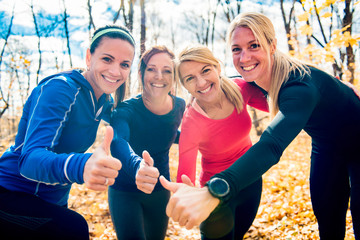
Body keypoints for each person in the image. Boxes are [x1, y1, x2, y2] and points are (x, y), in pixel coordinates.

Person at [160, 12, 360, 240]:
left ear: (272, 45)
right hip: (326, 148)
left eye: (254, 45)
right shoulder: (254, 82)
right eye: (236, 49)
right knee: (328, 220)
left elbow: (272, 145)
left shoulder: (298, 88)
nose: (244, 58)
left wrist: (215, 190)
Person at [0, 25, 135, 240]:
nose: (116, 71)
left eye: (124, 64)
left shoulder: (103, 101)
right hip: (13, 193)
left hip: (52, 198)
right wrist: (82, 165)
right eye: (107, 59)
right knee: (75, 228)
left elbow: (126, 129)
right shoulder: (61, 89)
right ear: (89, 57)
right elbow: (29, 160)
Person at [175, 45, 268, 239]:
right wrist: (185, 197)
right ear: (184, 85)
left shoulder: (240, 88)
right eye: (190, 78)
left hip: (250, 181)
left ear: (217, 67)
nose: (201, 83)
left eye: (206, 70)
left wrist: (327, 86)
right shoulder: (192, 122)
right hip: (216, 195)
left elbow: (282, 100)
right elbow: (185, 178)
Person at [108, 45, 185, 240]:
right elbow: (118, 142)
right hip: (125, 191)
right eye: (151, 69)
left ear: (174, 75)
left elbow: (167, 132)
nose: (159, 76)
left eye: (167, 70)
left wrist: (197, 139)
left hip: (160, 190)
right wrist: (137, 166)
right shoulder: (125, 110)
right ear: (141, 73)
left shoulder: (179, 105)